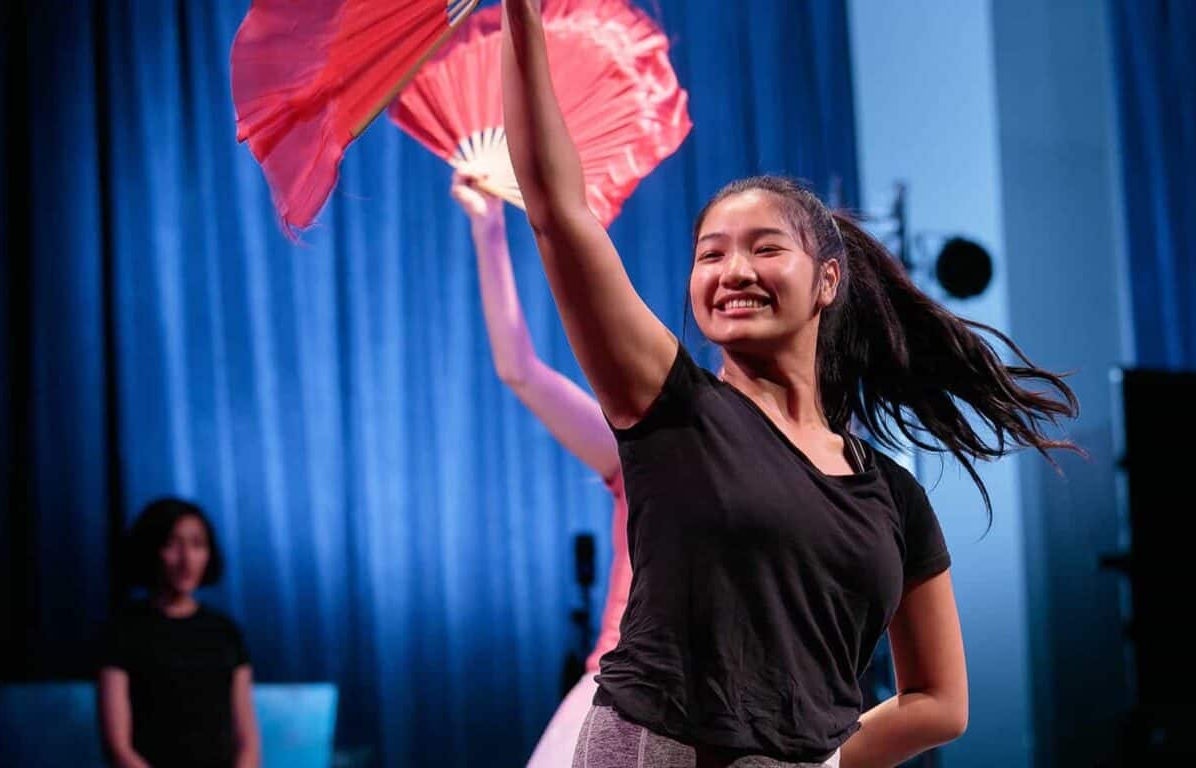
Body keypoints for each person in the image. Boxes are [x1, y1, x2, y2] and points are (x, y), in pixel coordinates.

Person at [500, 2, 1079, 766]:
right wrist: (523, 22)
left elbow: (941, 703)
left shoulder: (892, 496)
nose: (733, 272)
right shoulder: (672, 407)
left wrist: (826, 758)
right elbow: (558, 213)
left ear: (827, 281)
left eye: (763, 249)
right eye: (710, 255)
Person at [448, 171, 634, 767]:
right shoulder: (650, 449)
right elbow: (519, 369)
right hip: (622, 699)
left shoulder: (786, 473)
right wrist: (488, 230)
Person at [98, 498, 260, 768]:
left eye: (197, 545)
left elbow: (248, 743)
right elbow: (119, 748)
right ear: (151, 549)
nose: (187, 560)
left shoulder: (225, 632)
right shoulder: (121, 632)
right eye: (172, 545)